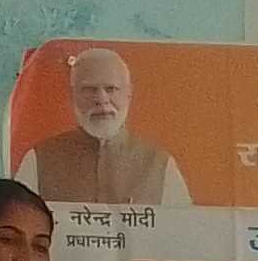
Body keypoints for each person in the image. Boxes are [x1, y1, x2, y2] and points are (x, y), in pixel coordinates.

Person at [25, 47, 191, 207]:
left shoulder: (159, 164)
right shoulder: (39, 161)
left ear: (128, 94)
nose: (101, 99)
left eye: (111, 89)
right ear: (72, 95)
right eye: (89, 89)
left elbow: (182, 225)